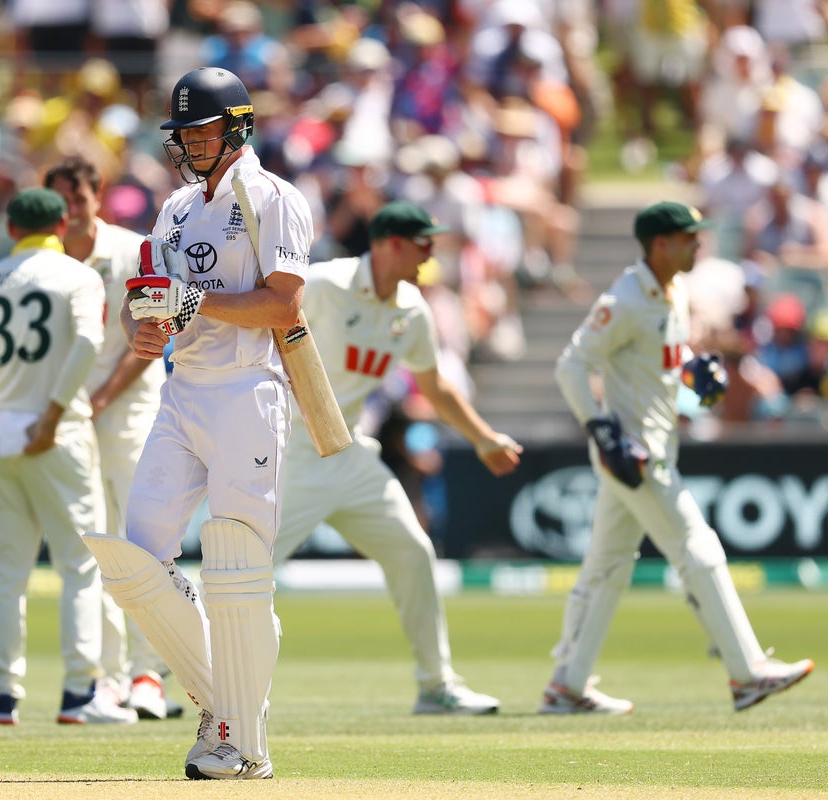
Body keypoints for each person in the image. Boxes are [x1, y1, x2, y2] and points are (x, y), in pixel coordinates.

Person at [82, 66, 314, 780]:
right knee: (137, 557)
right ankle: (229, 708)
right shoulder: (177, 207)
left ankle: (237, 739)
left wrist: (196, 301)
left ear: (238, 128)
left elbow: (283, 306)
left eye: (204, 131)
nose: (190, 144)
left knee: (237, 568)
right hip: (182, 392)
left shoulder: (273, 198)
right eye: (183, 133)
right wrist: (143, 329)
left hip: (249, 390)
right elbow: (147, 295)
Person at [547, 201, 815, 714]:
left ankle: (567, 683)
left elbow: (660, 360)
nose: (699, 245)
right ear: (660, 243)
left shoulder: (674, 290)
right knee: (698, 547)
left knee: (607, 568)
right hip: (635, 452)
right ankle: (747, 672)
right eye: (689, 237)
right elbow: (571, 366)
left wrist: (693, 372)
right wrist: (601, 429)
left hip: (651, 445)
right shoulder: (624, 298)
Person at [273, 201, 522, 716]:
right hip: (290, 451)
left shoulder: (412, 308)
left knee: (413, 552)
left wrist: (483, 438)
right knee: (246, 568)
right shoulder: (323, 284)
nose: (429, 254)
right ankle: (160, 669)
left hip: (351, 453)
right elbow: (263, 325)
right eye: (422, 243)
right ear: (391, 244)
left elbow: (434, 387)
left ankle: (436, 686)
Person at [0, 188, 136, 726]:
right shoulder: (78, 276)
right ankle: (80, 693)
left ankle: (1, 698)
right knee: (80, 565)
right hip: (56, 431)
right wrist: (54, 414)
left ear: (11, 229)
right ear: (60, 224)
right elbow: (87, 344)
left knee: (7, 571)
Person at [43, 156, 174, 720]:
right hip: (72, 418)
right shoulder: (43, 263)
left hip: (131, 410)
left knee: (142, 537)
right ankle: (111, 679)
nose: (71, 211)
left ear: (98, 196)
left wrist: (98, 400)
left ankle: (150, 672)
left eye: (79, 198)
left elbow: (149, 337)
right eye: (61, 202)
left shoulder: (130, 250)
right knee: (92, 544)